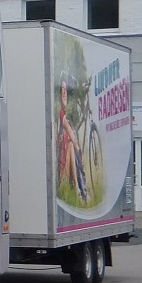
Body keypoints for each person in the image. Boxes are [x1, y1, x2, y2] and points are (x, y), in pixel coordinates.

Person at [56, 72, 85, 200]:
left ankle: (79, 189)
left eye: (65, 90)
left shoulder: (66, 113)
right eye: (62, 90)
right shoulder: (61, 113)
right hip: (62, 160)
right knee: (72, 145)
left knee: (71, 145)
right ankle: (80, 190)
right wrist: (79, 148)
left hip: (65, 155)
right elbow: (68, 132)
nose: (64, 93)